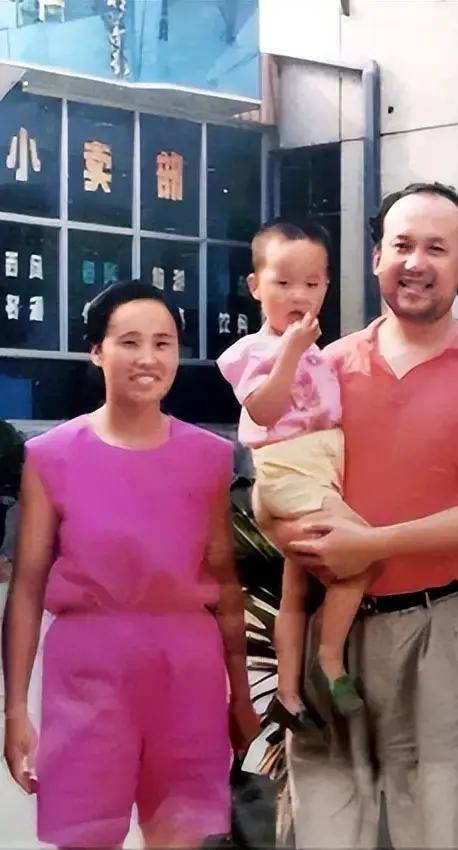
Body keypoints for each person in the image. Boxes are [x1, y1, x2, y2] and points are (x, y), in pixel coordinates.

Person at [267, 183, 458, 849]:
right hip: (328, 627)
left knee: (437, 824)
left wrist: (371, 544)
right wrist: (291, 534)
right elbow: (280, 473)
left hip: (438, 630)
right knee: (327, 822)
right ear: (377, 257)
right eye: (401, 245)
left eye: (437, 248)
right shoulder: (324, 367)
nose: (415, 262)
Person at [2, 281, 259, 849]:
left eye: (163, 344)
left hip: (188, 673)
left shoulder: (208, 458)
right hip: (87, 674)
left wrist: (240, 695)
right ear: (98, 351)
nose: (148, 358)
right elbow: (27, 589)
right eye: (130, 342)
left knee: (183, 834)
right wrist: (15, 708)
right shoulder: (52, 456)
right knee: (85, 835)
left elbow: (225, 583)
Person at [218, 220, 368, 732]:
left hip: (321, 471)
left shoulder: (324, 354)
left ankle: (287, 693)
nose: (298, 295)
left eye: (312, 283)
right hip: (290, 469)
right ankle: (328, 659)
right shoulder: (252, 351)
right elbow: (263, 410)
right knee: (363, 553)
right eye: (282, 283)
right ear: (256, 286)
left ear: (327, 286)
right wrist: (290, 352)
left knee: (295, 589)